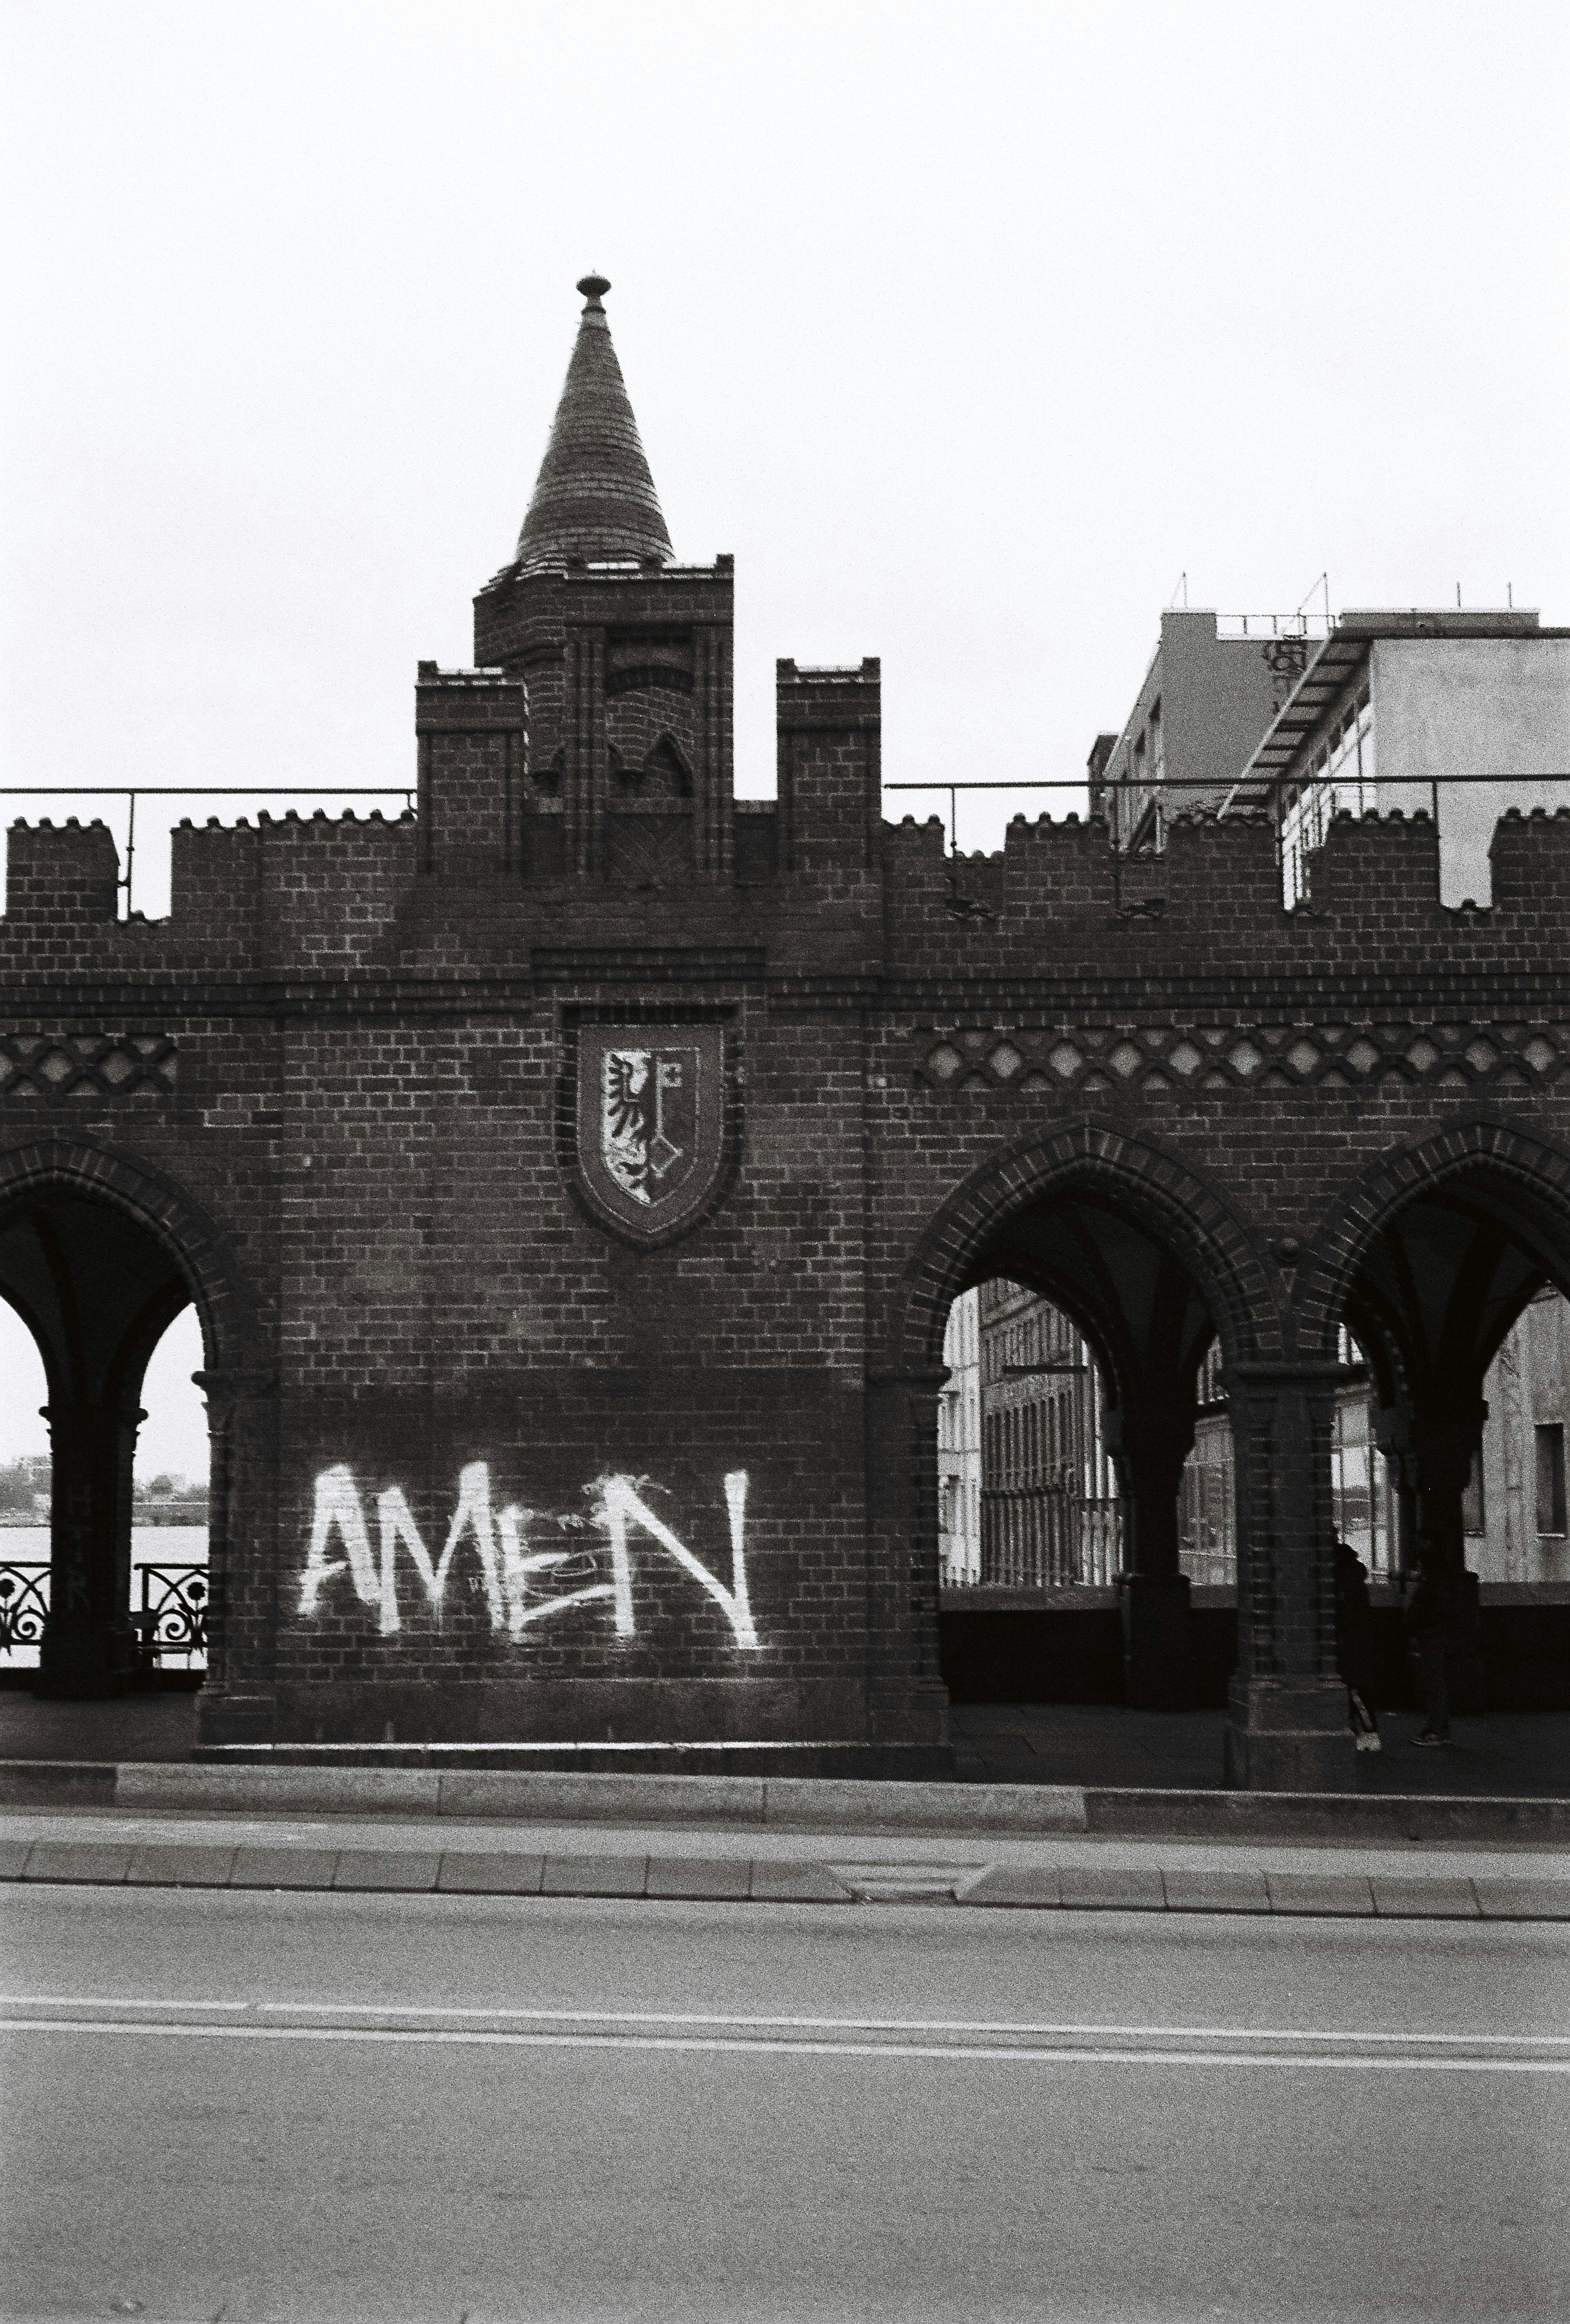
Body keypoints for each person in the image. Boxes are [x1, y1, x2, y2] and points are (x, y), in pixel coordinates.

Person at [1333, 1539, 1381, 1752]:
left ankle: (1368, 1734)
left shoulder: (1343, 1582)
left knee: (1354, 1687)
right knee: (1357, 1686)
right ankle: (1366, 1732)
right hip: (1357, 1639)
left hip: (1351, 1640)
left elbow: (1346, 1614)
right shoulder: (1354, 1578)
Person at [1404, 1551, 1453, 1746]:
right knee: (1436, 1684)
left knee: (1435, 1685)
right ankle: (1439, 1729)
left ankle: (1436, 1730)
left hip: (1431, 1637)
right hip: (1433, 1636)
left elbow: (1427, 1612)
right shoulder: (1438, 1584)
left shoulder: (1432, 1587)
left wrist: (1416, 1626)